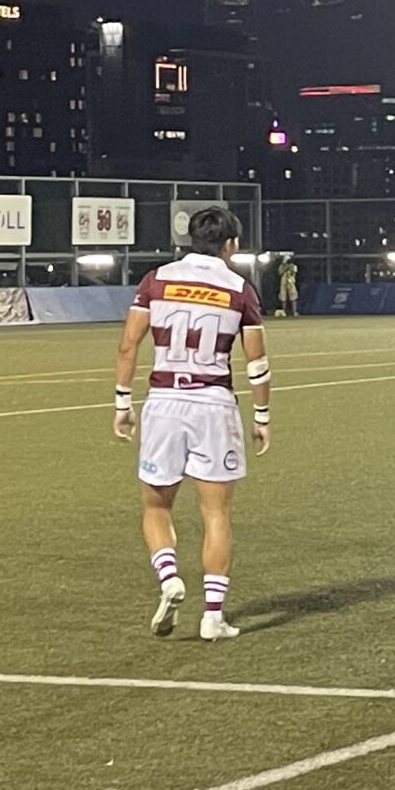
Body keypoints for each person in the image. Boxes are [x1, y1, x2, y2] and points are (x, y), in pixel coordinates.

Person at [113, 205, 270, 641]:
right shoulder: (239, 288)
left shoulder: (156, 280)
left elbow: (128, 345)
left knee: (156, 507)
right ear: (231, 244)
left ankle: (169, 579)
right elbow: (257, 363)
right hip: (213, 404)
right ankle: (212, 616)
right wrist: (262, 416)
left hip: (164, 402)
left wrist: (123, 403)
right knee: (216, 513)